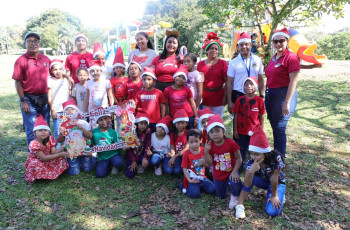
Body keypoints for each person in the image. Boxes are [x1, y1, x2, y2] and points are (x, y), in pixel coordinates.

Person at [235, 124, 286, 218]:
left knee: (272, 212)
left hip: (277, 182)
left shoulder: (275, 157)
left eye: (257, 154)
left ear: (265, 154)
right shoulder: (251, 162)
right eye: (251, 154)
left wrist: (274, 195)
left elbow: (275, 177)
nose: (254, 157)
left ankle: (278, 193)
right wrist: (251, 172)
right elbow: (247, 183)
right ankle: (240, 205)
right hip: (262, 181)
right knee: (251, 176)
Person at [264, 28, 300, 158]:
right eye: (275, 41)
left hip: (283, 96)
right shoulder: (275, 57)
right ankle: (277, 155)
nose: (278, 44)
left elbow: (293, 82)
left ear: (287, 41)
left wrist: (287, 103)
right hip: (270, 96)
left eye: (281, 41)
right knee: (274, 127)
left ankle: (279, 162)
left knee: (279, 129)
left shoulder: (291, 57)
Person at [13, 32, 51, 147]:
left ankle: (46, 155)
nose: (33, 43)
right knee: (32, 130)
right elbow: (17, 82)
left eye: (35, 41)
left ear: (39, 44)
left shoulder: (46, 59)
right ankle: (34, 159)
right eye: (29, 41)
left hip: (44, 98)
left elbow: (55, 75)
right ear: (25, 44)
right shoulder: (21, 61)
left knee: (45, 129)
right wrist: (23, 100)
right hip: (29, 99)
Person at [204, 115, 242, 210]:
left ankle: (234, 196)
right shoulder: (210, 146)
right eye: (211, 132)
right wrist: (206, 152)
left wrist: (234, 171)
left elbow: (239, 158)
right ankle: (224, 185)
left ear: (224, 131)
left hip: (231, 172)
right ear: (209, 135)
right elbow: (209, 164)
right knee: (221, 196)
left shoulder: (231, 143)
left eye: (217, 131)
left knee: (236, 183)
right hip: (218, 175)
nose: (215, 134)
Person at [227, 32, 264, 121]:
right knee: (238, 122)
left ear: (251, 45)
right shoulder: (233, 62)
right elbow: (229, 82)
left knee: (253, 121)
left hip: (253, 95)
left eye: (246, 44)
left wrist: (262, 96)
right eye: (241, 45)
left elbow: (260, 78)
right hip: (238, 95)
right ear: (238, 47)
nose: (244, 47)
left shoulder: (258, 60)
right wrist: (229, 101)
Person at [25, 114, 69, 183]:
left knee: (60, 158)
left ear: (49, 131)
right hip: (39, 161)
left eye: (45, 130)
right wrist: (60, 154)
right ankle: (39, 177)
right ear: (34, 132)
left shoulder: (50, 139)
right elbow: (44, 158)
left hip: (48, 159)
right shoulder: (34, 144)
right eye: (40, 130)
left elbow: (53, 152)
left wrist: (62, 147)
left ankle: (49, 174)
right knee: (35, 163)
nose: (43, 132)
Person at [57, 99, 95, 175]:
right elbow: (60, 140)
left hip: (84, 150)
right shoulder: (63, 125)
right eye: (67, 110)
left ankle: (93, 157)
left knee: (88, 168)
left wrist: (82, 129)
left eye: (72, 109)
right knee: (74, 172)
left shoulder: (83, 123)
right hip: (72, 152)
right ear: (65, 113)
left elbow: (90, 136)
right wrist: (61, 133)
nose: (70, 111)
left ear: (77, 110)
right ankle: (72, 163)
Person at [233, 77, 265, 167]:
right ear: (243, 87)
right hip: (242, 130)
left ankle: (253, 165)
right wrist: (235, 129)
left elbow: (262, 116)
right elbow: (236, 115)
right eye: (246, 85)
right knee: (242, 148)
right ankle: (241, 165)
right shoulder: (239, 100)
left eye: (251, 84)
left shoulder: (259, 100)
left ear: (255, 87)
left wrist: (261, 130)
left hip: (254, 131)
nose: (248, 87)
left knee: (253, 149)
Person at [197, 32, 227, 117]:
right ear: (207, 50)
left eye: (216, 49)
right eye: (211, 48)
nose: (214, 50)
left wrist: (226, 97)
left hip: (219, 98)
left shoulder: (222, 63)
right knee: (205, 122)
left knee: (217, 121)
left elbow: (227, 81)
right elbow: (198, 82)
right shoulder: (200, 64)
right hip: (205, 98)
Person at [180, 129, 216, 198]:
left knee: (213, 190)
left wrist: (205, 163)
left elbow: (208, 165)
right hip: (192, 178)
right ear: (188, 142)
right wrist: (189, 180)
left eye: (196, 141)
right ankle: (183, 186)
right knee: (195, 195)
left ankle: (200, 187)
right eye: (191, 142)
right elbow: (184, 168)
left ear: (201, 140)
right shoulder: (186, 153)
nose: (194, 144)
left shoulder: (203, 150)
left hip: (202, 177)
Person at [164, 64, 198, 129]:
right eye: (179, 76)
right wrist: (167, 116)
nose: (181, 79)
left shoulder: (187, 89)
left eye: (183, 78)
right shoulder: (167, 90)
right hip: (175, 116)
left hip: (189, 115)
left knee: (190, 133)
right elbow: (166, 105)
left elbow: (192, 103)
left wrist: (196, 116)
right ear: (174, 77)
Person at [91, 112, 124, 178]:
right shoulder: (94, 132)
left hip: (113, 154)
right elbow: (92, 144)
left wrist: (122, 147)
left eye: (106, 118)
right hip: (102, 157)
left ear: (109, 119)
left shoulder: (113, 132)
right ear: (97, 122)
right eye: (101, 120)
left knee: (119, 163)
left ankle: (114, 165)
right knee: (100, 174)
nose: (104, 121)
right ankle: (107, 165)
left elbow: (117, 145)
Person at [84, 60, 114, 129]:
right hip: (93, 110)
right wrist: (85, 111)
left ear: (101, 71)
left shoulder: (106, 82)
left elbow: (110, 96)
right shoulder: (88, 83)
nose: (95, 73)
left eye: (97, 71)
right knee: (94, 127)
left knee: (106, 125)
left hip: (104, 108)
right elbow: (87, 97)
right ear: (90, 73)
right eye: (92, 71)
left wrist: (111, 109)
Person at [135, 67, 166, 132]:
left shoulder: (159, 92)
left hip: (156, 121)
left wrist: (162, 119)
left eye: (149, 79)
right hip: (143, 122)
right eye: (144, 79)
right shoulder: (139, 93)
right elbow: (135, 106)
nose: (146, 81)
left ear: (154, 81)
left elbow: (163, 106)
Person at [48, 59, 71, 140]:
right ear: (51, 71)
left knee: (68, 129)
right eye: (55, 69)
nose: (58, 71)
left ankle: (68, 148)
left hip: (67, 110)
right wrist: (52, 109)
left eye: (60, 69)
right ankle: (56, 148)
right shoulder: (50, 80)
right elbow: (49, 96)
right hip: (57, 110)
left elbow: (70, 94)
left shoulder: (66, 80)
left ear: (63, 70)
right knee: (58, 131)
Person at [125, 109, 152, 178]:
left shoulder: (147, 132)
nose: (143, 126)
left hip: (141, 154)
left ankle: (140, 163)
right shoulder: (131, 132)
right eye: (141, 123)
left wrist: (145, 157)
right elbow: (129, 149)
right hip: (132, 155)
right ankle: (136, 163)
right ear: (137, 123)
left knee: (150, 162)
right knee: (129, 175)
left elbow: (147, 145)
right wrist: (133, 161)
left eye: (145, 123)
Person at [164, 109, 189, 175]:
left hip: (183, 155)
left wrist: (174, 157)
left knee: (177, 171)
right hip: (176, 155)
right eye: (178, 123)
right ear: (175, 124)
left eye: (182, 123)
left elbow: (186, 148)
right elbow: (172, 147)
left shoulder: (188, 133)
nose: (180, 125)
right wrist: (172, 156)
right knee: (168, 170)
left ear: (186, 123)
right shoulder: (173, 134)